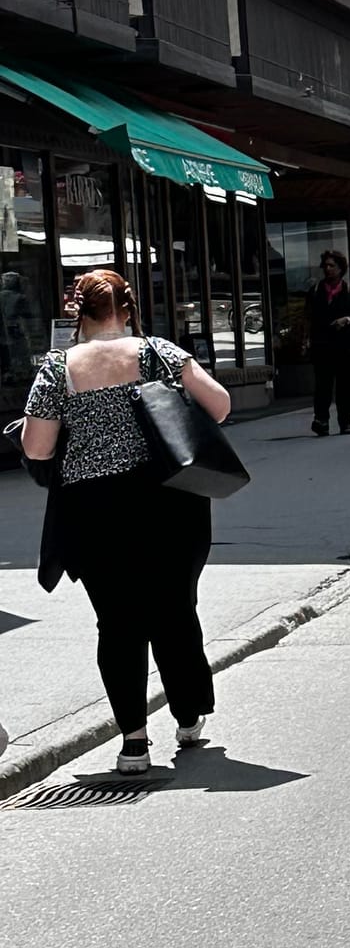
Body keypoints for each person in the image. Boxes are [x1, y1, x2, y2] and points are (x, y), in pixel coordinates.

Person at [20, 268, 234, 776]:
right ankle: (187, 718)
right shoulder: (158, 352)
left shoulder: (57, 367)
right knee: (175, 609)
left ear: (79, 311)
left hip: (94, 508)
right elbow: (220, 407)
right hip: (169, 501)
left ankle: (133, 742)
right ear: (129, 308)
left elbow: (37, 446)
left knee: (117, 622)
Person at [305, 249, 350, 437]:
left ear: (340, 268)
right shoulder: (315, 291)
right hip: (322, 344)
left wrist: (346, 320)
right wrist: (307, 340)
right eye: (326, 266)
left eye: (332, 266)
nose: (328, 269)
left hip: (344, 345)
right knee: (322, 385)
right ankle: (321, 420)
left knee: (344, 386)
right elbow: (308, 317)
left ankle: (345, 422)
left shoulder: (349, 291)